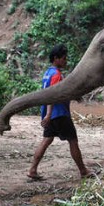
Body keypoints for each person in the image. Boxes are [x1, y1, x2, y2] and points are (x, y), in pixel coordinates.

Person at [27, 44, 95, 181]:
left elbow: (55, 94)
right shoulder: (56, 75)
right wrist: (49, 114)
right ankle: (83, 171)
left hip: (50, 114)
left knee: (47, 139)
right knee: (73, 141)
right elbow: (53, 95)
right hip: (59, 114)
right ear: (56, 58)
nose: (66, 61)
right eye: (63, 58)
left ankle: (32, 169)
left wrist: (47, 114)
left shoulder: (47, 73)